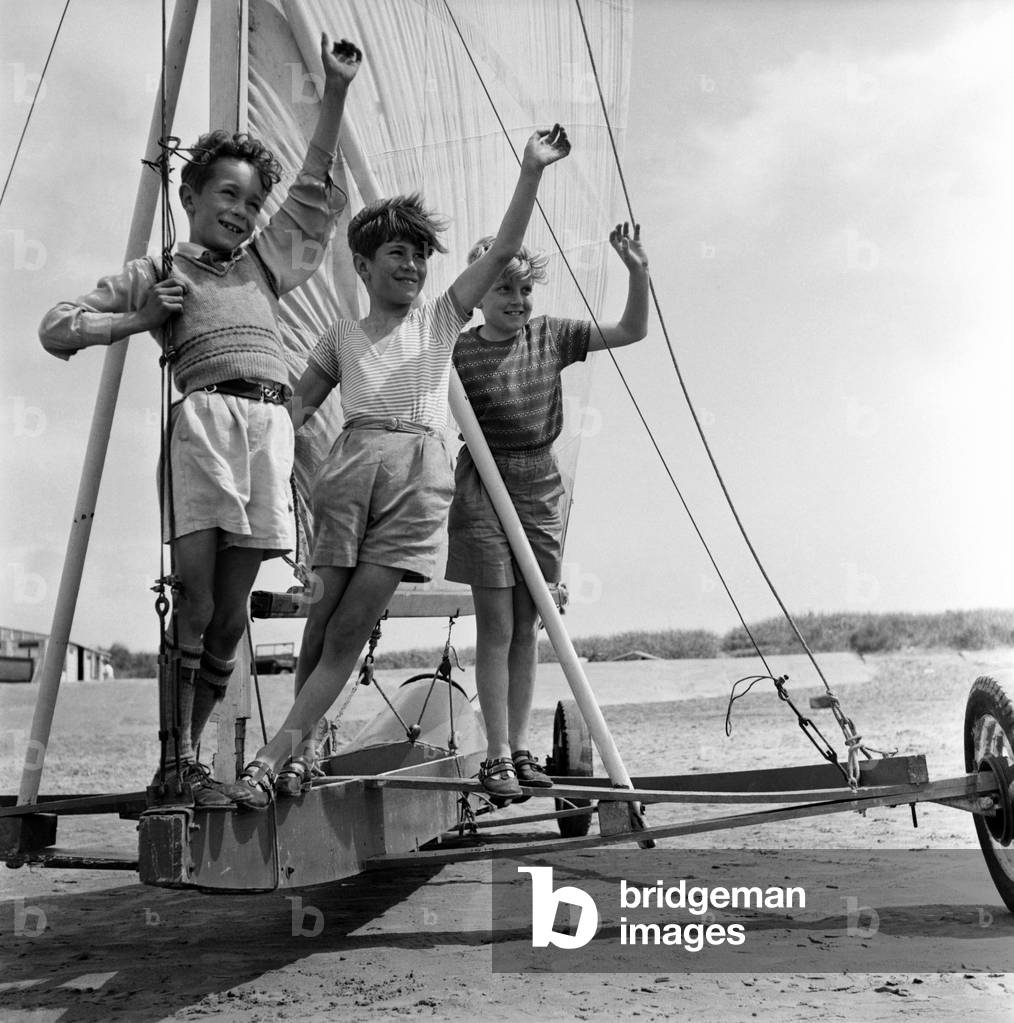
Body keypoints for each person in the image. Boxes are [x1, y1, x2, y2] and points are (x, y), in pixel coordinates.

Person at [38, 35, 363, 808]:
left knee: (231, 618)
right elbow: (56, 326)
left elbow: (314, 191)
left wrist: (337, 92)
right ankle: (175, 764)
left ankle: (193, 767)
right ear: (189, 196)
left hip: (267, 431)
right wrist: (136, 320)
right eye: (229, 196)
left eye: (252, 203)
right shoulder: (159, 271)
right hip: (203, 432)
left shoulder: (266, 263)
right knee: (196, 602)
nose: (244, 213)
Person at [224, 126, 572, 810]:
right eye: (397, 253)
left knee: (351, 625)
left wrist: (530, 170)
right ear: (364, 264)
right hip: (349, 469)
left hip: (417, 476)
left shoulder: (442, 319)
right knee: (320, 626)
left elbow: (503, 248)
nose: (411, 265)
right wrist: (246, 453)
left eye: (419, 255)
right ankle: (304, 755)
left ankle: (272, 758)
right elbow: (296, 408)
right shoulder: (341, 335)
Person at [444, 223, 650, 798]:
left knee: (529, 629)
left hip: (539, 483)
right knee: (497, 625)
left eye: (523, 291)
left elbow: (633, 330)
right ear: (478, 295)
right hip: (482, 484)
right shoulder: (454, 350)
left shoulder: (551, 337)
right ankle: (498, 755)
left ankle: (521, 746)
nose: (515, 301)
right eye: (502, 290)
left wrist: (637, 272)